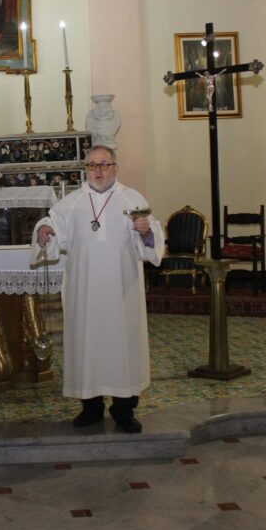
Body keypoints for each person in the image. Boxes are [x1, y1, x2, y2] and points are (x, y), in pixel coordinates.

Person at [32, 145, 164, 433]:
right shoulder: (72, 202)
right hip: (84, 291)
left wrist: (146, 232)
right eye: (92, 166)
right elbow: (50, 222)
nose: (98, 171)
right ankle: (90, 408)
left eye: (104, 165)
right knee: (86, 344)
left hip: (122, 291)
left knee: (123, 346)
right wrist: (44, 230)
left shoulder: (133, 199)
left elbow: (152, 243)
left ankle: (124, 410)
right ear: (86, 169)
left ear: (115, 167)